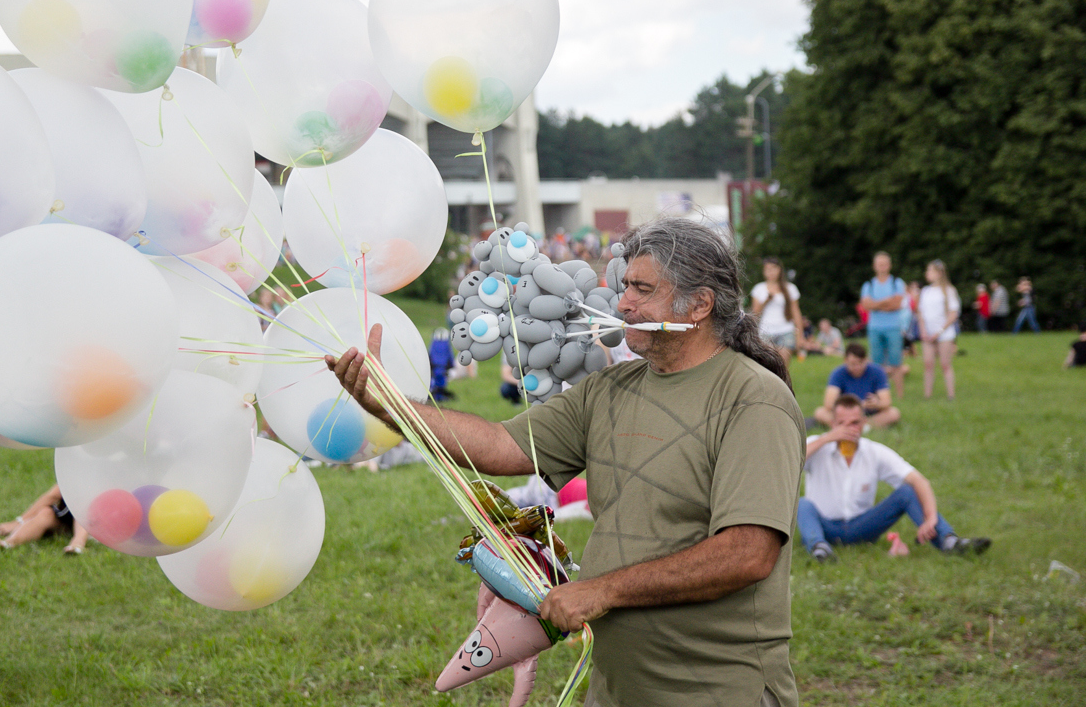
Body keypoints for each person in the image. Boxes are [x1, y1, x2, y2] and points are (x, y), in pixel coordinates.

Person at [328, 217, 805, 707]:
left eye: (642, 289)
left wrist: (604, 591)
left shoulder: (753, 400)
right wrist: (391, 405)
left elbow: (747, 552)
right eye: (624, 288)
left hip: (723, 692)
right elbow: (498, 445)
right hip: (618, 691)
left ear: (699, 304)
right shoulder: (609, 390)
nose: (622, 303)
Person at [798, 394, 991, 562]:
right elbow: (789, 462)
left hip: (861, 526)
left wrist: (931, 517)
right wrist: (827, 438)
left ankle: (949, 541)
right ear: (833, 424)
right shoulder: (818, 445)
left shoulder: (873, 451)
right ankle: (819, 548)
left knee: (907, 492)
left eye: (855, 423)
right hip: (826, 525)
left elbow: (919, 481)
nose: (849, 429)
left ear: (864, 422)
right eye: (842, 424)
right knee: (803, 504)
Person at [814, 343, 900, 428]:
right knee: (820, 412)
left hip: (869, 413)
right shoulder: (838, 373)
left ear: (866, 360)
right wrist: (854, 407)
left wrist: (876, 403)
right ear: (845, 360)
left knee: (893, 413)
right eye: (853, 364)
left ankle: (862, 426)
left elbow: (886, 402)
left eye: (861, 363)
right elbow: (828, 403)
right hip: (845, 412)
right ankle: (849, 425)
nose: (857, 367)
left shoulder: (878, 371)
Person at [859, 252, 908, 395]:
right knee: (876, 364)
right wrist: (886, 302)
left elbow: (897, 304)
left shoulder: (897, 283)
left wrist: (876, 304)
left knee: (896, 362)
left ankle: (900, 395)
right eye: (879, 264)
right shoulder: (869, 284)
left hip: (893, 327)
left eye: (885, 264)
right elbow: (866, 305)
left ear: (890, 265)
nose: (882, 267)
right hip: (875, 328)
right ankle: (878, 394)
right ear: (875, 266)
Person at [0, 484, 89, 554]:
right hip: (67, 522)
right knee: (46, 513)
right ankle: (10, 542)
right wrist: (19, 521)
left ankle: (78, 543)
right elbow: (52, 496)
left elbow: (53, 496)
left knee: (81, 509)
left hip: (94, 524)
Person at [918, 260, 961, 401]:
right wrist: (923, 331)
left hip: (944, 335)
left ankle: (951, 395)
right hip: (928, 334)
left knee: (945, 364)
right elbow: (921, 313)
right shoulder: (925, 291)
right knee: (928, 364)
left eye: (930, 270)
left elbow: (953, 314)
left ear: (939, 273)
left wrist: (940, 331)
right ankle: (927, 395)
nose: (927, 273)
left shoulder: (949, 290)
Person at [751, 257, 803, 368]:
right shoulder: (759, 289)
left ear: (780, 270)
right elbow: (755, 313)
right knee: (768, 367)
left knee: (783, 367)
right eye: (768, 269)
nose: (771, 272)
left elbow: (796, 313)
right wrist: (765, 301)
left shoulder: (790, 288)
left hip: (785, 331)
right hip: (765, 332)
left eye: (774, 268)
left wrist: (800, 336)